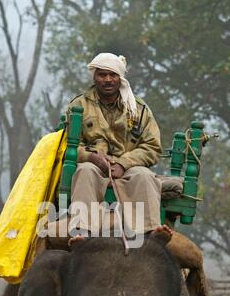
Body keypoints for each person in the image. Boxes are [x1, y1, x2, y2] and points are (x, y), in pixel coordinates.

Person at [67, 52, 171, 240]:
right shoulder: (78, 105)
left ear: (120, 78)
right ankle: (82, 232)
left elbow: (152, 147)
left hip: (128, 168)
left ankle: (151, 233)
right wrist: (91, 157)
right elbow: (65, 145)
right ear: (94, 76)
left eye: (113, 75)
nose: (107, 80)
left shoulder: (138, 109)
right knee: (85, 172)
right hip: (94, 165)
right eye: (102, 74)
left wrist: (124, 163)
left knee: (144, 175)